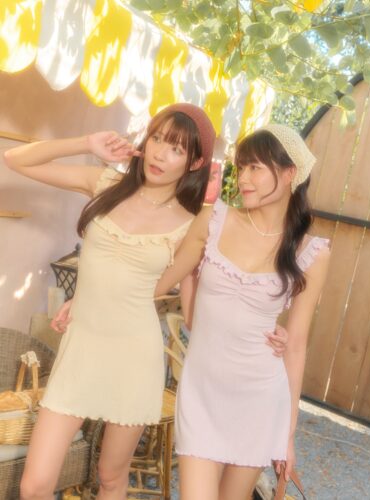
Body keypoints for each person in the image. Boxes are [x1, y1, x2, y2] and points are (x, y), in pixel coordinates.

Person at [3, 103, 216, 500]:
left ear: (195, 162)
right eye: (157, 139)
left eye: (176, 149)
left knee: (111, 478)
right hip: (81, 349)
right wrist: (87, 143)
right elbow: (16, 159)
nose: (159, 154)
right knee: (34, 485)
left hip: (135, 356)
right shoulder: (105, 183)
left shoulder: (191, 225)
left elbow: (155, 290)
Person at [153, 125, 331, 500]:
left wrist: (287, 436)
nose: (243, 178)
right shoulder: (214, 220)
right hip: (202, 392)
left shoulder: (311, 253)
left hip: (260, 399)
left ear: (289, 173)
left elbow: (296, 345)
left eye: (255, 168)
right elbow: (171, 285)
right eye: (242, 167)